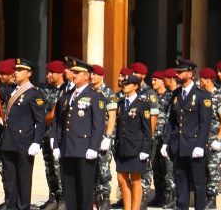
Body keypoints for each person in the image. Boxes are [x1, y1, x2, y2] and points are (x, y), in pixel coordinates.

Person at [53, 59, 106, 210]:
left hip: (84, 150)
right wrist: (57, 143)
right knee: (70, 190)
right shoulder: (67, 95)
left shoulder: (95, 96)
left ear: (87, 76)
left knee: (85, 191)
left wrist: (93, 147)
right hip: (67, 148)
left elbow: (98, 124)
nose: (73, 75)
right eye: (73, 72)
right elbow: (61, 122)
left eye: (77, 72)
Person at [162, 60, 211, 210]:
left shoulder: (202, 95)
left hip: (195, 146)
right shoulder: (176, 94)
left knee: (198, 184)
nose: (177, 74)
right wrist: (166, 142)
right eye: (177, 72)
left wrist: (201, 145)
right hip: (178, 145)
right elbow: (172, 120)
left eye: (180, 72)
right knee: (180, 182)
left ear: (190, 74)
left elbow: (205, 123)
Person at [2, 58, 46, 210]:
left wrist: (37, 142)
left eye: (20, 70)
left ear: (29, 73)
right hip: (8, 141)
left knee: (23, 182)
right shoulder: (11, 90)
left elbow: (40, 121)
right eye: (15, 69)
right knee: (10, 182)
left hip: (24, 143)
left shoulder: (34, 93)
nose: (16, 72)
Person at [114, 75, 153, 210]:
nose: (124, 85)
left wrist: (145, 149)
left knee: (136, 180)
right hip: (122, 147)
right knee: (121, 179)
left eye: (128, 83)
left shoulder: (142, 104)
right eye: (124, 83)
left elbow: (147, 130)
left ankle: (135, 208)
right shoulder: (120, 104)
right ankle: (127, 207)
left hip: (136, 148)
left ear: (135, 86)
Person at [198, 68, 221, 209]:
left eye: (201, 79)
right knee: (201, 169)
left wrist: (219, 139)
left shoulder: (220, 97)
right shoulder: (199, 95)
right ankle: (202, 196)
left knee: (212, 170)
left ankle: (211, 198)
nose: (199, 81)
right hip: (200, 139)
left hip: (213, 139)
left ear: (208, 80)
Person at [39, 61, 66, 210]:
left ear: (60, 73)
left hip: (57, 136)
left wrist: (41, 121)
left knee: (58, 168)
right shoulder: (45, 90)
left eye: (52, 73)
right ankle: (53, 196)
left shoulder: (63, 90)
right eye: (47, 72)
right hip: (45, 134)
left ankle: (63, 198)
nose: (48, 75)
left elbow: (53, 115)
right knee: (49, 167)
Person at [92, 65, 117, 210]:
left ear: (101, 76)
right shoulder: (89, 92)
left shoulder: (108, 93)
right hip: (91, 137)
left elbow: (112, 117)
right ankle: (94, 199)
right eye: (91, 75)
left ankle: (105, 198)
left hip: (103, 138)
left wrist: (108, 136)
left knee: (103, 170)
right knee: (92, 170)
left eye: (95, 75)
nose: (92, 77)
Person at [0, 59, 16, 210]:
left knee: (12, 171)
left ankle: (13, 201)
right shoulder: (0, 88)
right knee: (3, 171)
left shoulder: (16, 89)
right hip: (1, 135)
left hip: (13, 136)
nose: (0, 76)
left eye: (3, 73)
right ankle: (8, 199)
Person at [151, 71, 176, 210]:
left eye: (156, 80)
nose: (153, 82)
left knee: (168, 170)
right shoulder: (152, 96)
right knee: (156, 169)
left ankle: (170, 197)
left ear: (162, 81)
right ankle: (159, 195)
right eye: (152, 80)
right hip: (155, 138)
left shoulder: (170, 96)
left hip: (165, 137)